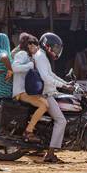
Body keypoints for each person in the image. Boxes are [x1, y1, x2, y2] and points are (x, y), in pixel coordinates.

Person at [35, 32, 69, 163]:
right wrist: (64, 86)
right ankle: (50, 153)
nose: (56, 51)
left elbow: (51, 74)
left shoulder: (42, 55)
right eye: (54, 48)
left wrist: (65, 84)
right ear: (47, 45)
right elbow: (46, 77)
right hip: (45, 94)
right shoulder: (41, 56)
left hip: (48, 91)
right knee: (61, 121)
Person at [12, 35, 49, 142]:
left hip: (27, 91)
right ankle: (28, 131)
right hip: (21, 92)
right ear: (29, 45)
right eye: (33, 44)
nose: (35, 47)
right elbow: (15, 67)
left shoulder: (29, 57)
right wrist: (30, 65)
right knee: (44, 105)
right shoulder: (22, 54)